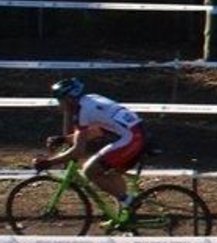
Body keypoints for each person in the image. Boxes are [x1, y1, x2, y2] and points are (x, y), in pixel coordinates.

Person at [31, 77, 147, 215]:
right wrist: (64, 139)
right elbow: (97, 131)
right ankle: (125, 214)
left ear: (68, 99)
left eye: (59, 100)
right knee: (110, 172)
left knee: (89, 170)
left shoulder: (82, 111)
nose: (59, 104)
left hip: (131, 139)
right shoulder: (91, 99)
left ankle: (130, 202)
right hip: (136, 135)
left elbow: (78, 151)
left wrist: (49, 162)